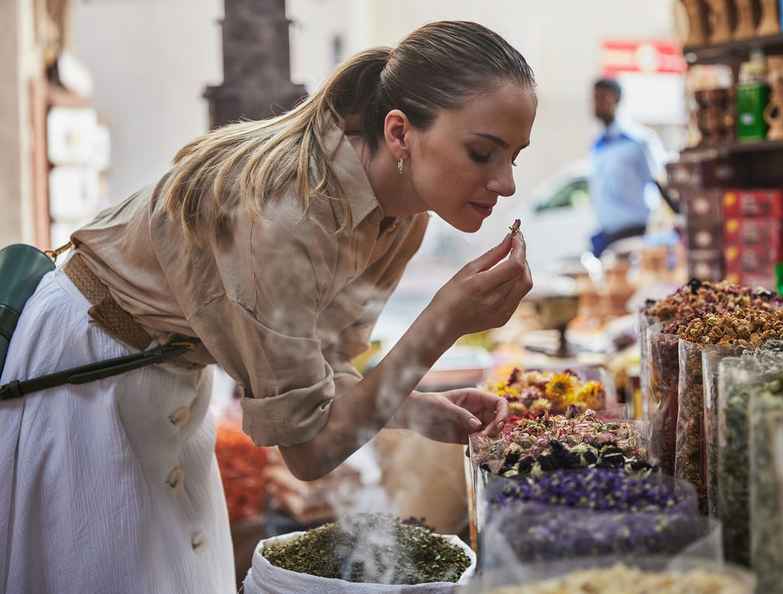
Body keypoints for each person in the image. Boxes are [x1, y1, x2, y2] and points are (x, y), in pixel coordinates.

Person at [0, 21, 535, 594]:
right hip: (89, 371)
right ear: (400, 133)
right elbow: (307, 450)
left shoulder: (400, 216)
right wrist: (443, 321)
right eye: (483, 153)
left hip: (167, 376)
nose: (504, 183)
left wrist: (410, 407)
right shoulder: (287, 217)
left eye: (515, 157)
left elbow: (326, 368)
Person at [588, 77, 666, 257]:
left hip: (635, 235)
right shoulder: (598, 145)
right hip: (606, 236)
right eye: (594, 98)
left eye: (602, 98)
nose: (596, 104)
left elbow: (661, 183)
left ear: (616, 99)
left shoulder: (639, 141)